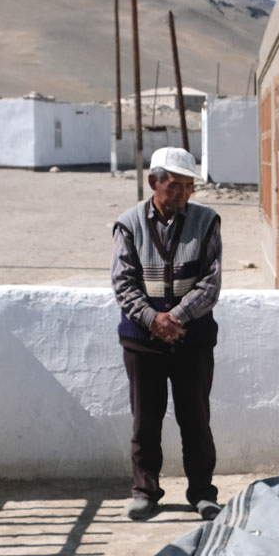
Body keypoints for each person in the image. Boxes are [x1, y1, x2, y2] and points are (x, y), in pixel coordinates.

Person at [110, 146, 222, 521]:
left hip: (193, 340)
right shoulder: (128, 224)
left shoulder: (207, 222)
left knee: (195, 419)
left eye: (188, 187)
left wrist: (174, 318)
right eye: (174, 185)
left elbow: (210, 282)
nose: (182, 194)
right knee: (146, 419)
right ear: (153, 182)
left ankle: (203, 492)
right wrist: (153, 321)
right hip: (143, 342)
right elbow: (123, 283)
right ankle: (145, 490)